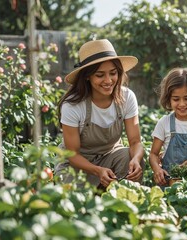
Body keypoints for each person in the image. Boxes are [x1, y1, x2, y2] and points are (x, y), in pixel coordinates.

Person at [54, 39, 144, 188]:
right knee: (72, 200)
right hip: (77, 164)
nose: (108, 80)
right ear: (87, 76)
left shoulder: (127, 97)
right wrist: (97, 170)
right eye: (100, 75)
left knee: (128, 157)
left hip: (110, 157)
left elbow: (135, 142)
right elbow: (72, 154)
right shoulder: (73, 105)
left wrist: (136, 158)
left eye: (113, 73)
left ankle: (121, 203)